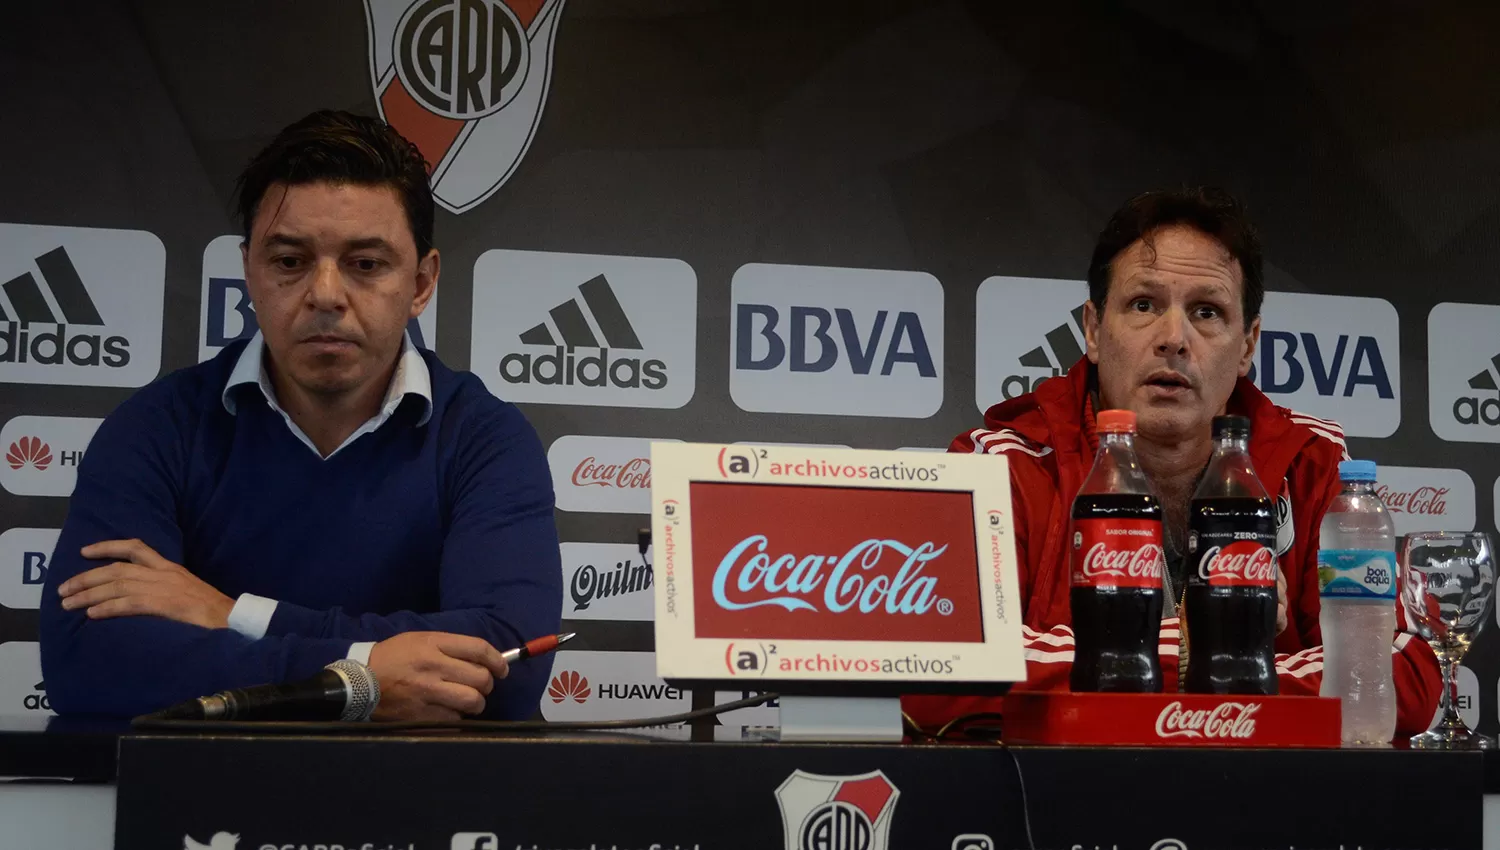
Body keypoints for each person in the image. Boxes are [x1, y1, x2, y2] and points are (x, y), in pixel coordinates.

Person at [40, 110, 562, 721]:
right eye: (290, 261)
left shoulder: (484, 437)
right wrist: (366, 680)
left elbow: (510, 667)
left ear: (421, 283)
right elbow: (90, 664)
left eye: (366, 264)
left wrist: (229, 613)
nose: (325, 293)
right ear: (249, 271)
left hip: (432, 806)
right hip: (204, 807)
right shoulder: (158, 426)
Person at [904, 187, 1440, 735]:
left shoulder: (1313, 462)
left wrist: (1129, 673)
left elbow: (1399, 672)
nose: (1173, 339)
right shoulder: (1003, 463)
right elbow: (943, 670)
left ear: (1248, 345)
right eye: (1144, 305)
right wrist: (1222, 657)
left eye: (1206, 312)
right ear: (1092, 329)